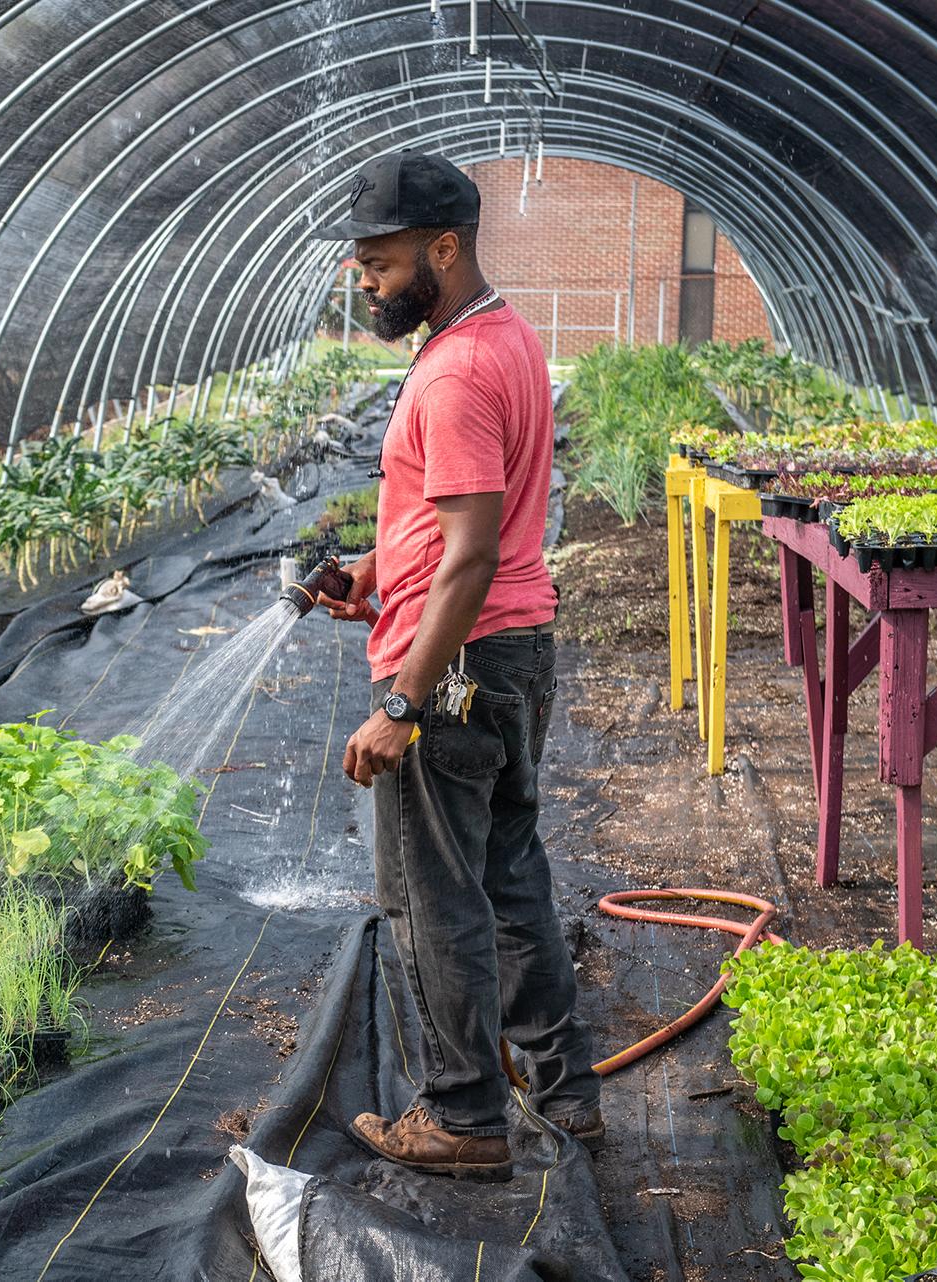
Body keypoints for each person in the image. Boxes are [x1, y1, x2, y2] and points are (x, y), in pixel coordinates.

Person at [309, 151, 601, 1180]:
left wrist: (402, 700)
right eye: (360, 264)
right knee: (509, 875)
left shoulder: (457, 372)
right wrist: (374, 573)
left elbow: (471, 555)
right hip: (515, 648)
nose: (367, 281)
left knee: (435, 899)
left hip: (462, 667)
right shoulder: (503, 338)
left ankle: (463, 1119)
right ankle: (564, 1089)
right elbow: (453, 531)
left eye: (382, 262)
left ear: (444, 246)